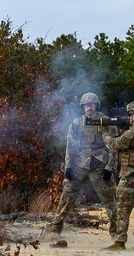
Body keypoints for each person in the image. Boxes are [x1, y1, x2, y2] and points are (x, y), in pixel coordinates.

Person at [44, 92, 118, 247]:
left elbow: (114, 147)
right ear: (82, 108)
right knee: (67, 197)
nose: (89, 108)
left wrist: (110, 167)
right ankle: (55, 230)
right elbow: (70, 146)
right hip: (80, 164)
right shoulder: (77, 123)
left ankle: (118, 236)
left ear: (97, 106)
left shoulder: (106, 122)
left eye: (91, 105)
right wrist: (69, 166)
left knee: (110, 200)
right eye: (86, 105)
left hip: (99, 165)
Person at [100, 100, 134, 250]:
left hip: (130, 174)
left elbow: (114, 144)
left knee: (122, 209)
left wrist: (104, 132)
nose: (129, 116)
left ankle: (119, 242)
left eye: (131, 114)